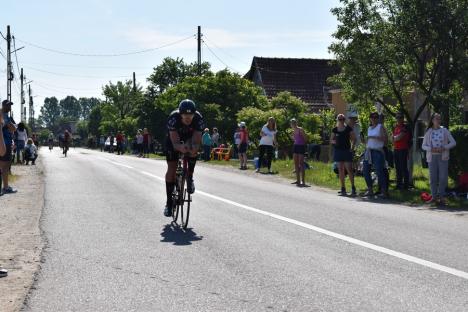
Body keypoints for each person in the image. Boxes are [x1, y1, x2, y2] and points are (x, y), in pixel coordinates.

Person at [164, 99, 204, 217]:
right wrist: (181, 147)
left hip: (189, 137)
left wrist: (192, 148)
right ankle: (169, 203)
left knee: (193, 152)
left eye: (190, 115)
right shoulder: (173, 118)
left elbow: (197, 141)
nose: (188, 118)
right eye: (185, 115)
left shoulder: (198, 119)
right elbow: (175, 143)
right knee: (172, 168)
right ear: (180, 114)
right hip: (173, 140)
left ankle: (190, 177)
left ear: (194, 114)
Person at [421, 113, 456, 205]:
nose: (438, 120)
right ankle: (433, 197)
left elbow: (453, 142)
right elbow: (423, 146)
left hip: (443, 157)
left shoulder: (444, 130)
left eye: (439, 119)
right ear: (432, 120)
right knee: (433, 178)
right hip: (432, 157)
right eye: (437, 119)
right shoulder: (428, 131)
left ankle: (441, 197)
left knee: (443, 177)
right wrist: (430, 149)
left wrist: (444, 147)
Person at [363, 112, 388, 198]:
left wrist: (373, 137)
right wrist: (365, 141)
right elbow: (368, 141)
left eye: (376, 117)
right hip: (369, 151)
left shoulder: (380, 127)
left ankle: (384, 192)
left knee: (379, 171)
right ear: (370, 118)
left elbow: (385, 140)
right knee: (365, 170)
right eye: (372, 117)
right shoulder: (369, 128)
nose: (374, 119)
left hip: (377, 151)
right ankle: (370, 189)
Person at [331, 114, 356, 196]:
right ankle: (343, 189)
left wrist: (352, 148)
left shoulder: (348, 129)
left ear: (344, 120)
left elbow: (354, 139)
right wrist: (334, 141)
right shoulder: (335, 130)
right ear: (337, 120)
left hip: (346, 151)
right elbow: (331, 140)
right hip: (338, 151)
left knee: (349, 169)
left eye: (343, 119)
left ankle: (353, 188)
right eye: (340, 119)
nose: (341, 121)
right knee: (340, 170)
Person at [0, 100, 17, 194]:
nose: (10, 108)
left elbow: (13, 129)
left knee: (4, 166)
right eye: (8, 106)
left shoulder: (6, 116)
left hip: (6, 143)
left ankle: (5, 187)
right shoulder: (2, 115)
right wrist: (8, 126)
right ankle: (4, 188)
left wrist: (10, 126)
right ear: (3, 106)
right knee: (4, 166)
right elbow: (11, 128)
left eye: (10, 106)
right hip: (3, 143)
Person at [392, 112, 412, 190]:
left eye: (400, 117)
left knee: (403, 168)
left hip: (403, 149)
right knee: (397, 168)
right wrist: (395, 137)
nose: (399, 119)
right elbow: (392, 138)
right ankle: (399, 184)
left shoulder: (405, 127)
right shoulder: (395, 127)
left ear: (403, 118)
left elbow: (398, 138)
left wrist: (395, 137)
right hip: (396, 149)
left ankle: (406, 186)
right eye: (397, 117)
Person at [290, 119, 307, 186]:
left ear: (296, 123)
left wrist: (302, 143)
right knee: (296, 163)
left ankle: (303, 181)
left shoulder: (300, 129)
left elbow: (305, 138)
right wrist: (293, 138)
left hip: (301, 146)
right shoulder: (293, 131)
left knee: (301, 163)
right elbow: (295, 139)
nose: (293, 124)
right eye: (292, 123)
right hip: (295, 146)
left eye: (294, 123)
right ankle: (298, 180)